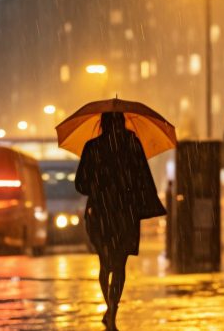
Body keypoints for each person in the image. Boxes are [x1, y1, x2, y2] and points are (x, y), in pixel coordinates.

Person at [75, 112, 166, 330]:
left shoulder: (93, 146)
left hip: (100, 212)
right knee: (120, 263)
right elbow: (143, 177)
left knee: (105, 263)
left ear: (103, 123)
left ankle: (109, 306)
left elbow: (80, 184)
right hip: (125, 213)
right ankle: (113, 310)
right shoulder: (132, 143)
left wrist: (99, 188)